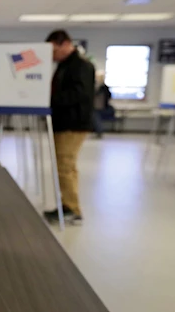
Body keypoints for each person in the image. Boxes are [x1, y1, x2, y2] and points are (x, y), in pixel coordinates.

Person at [43, 30, 95, 225]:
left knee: (65, 165)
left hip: (73, 124)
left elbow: (79, 94)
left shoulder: (81, 66)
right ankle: (66, 205)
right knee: (65, 166)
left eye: (54, 50)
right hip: (64, 122)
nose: (52, 55)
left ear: (65, 44)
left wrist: (49, 100)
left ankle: (72, 209)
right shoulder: (65, 65)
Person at [93, 70, 113, 138]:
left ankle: (99, 132)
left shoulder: (103, 87)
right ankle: (99, 131)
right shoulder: (96, 86)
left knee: (96, 118)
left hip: (100, 107)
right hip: (96, 107)